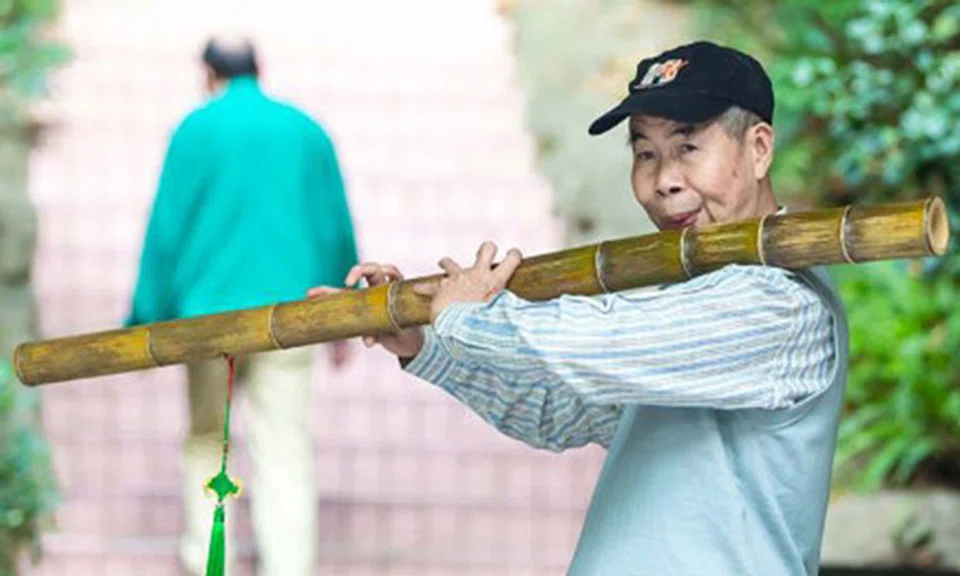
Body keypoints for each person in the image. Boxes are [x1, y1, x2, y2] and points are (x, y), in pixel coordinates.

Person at [310, 41, 847, 575]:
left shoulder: (782, 303)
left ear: (758, 149)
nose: (664, 180)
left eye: (687, 148)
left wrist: (467, 318)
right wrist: (426, 342)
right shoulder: (691, 302)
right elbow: (559, 415)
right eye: (645, 154)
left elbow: (602, 341)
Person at [126, 35, 359, 576]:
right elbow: (333, 227)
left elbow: (166, 232)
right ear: (260, 68)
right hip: (291, 319)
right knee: (285, 449)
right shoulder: (305, 131)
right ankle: (290, 567)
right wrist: (345, 316)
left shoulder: (194, 130)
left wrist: (144, 316)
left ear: (209, 75)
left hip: (208, 321)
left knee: (210, 440)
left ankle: (211, 565)